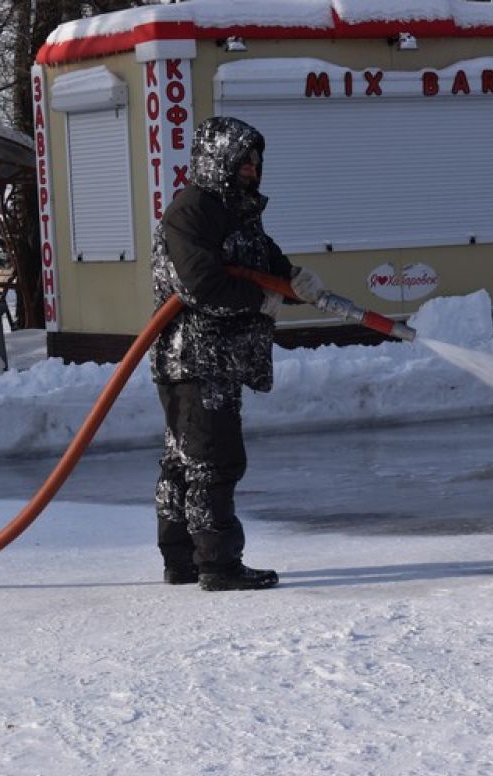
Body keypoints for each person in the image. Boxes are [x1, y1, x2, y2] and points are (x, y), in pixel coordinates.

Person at [149, 116, 325, 591]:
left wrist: (295, 282)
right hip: (194, 359)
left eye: (256, 161)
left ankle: (183, 559)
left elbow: (265, 263)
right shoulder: (192, 211)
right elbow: (200, 283)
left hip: (215, 357)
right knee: (212, 460)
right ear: (217, 160)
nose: (252, 169)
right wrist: (260, 300)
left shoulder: (236, 212)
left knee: (188, 460)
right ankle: (218, 565)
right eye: (242, 160)